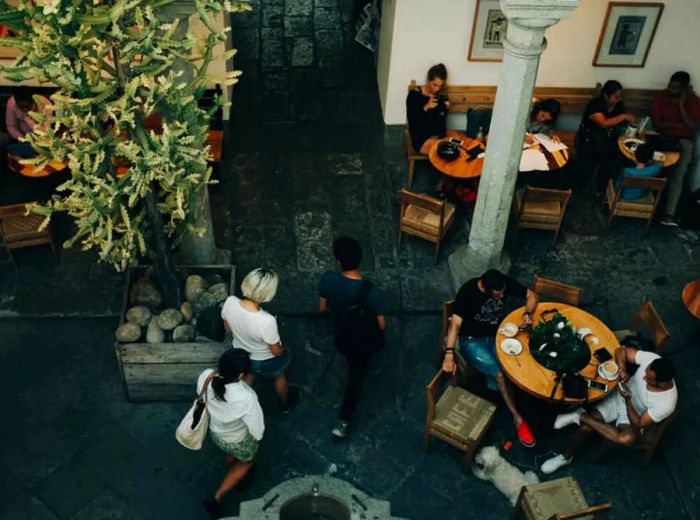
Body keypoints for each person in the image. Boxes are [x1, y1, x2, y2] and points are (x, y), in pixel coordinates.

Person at [540, 345, 677, 475]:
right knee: (585, 428)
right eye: (646, 372)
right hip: (618, 395)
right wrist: (623, 369)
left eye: (648, 379)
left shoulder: (666, 403)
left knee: (627, 439)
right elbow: (621, 350)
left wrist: (628, 400)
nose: (643, 377)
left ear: (663, 384)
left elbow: (639, 423)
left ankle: (580, 415)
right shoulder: (652, 360)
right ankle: (566, 457)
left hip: (633, 415)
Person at [442, 269, 539, 447]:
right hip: (472, 341)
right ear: (485, 289)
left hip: (497, 335)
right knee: (500, 375)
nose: (503, 295)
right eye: (498, 293)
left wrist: (528, 314)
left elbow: (531, 295)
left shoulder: (502, 282)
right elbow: (455, 324)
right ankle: (517, 418)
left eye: (503, 291)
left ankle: (499, 387)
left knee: (516, 361)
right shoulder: (468, 292)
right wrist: (449, 353)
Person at [319, 236, 388, 439]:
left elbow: (322, 308)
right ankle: (343, 421)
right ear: (360, 259)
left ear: (338, 262)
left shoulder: (328, 280)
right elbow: (382, 325)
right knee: (356, 380)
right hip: (364, 343)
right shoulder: (372, 292)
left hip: (342, 335)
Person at [221, 268, 299, 414]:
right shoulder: (266, 321)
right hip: (265, 360)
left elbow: (228, 328)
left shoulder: (230, 302)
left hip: (242, 354)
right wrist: (284, 351)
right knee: (279, 376)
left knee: (249, 375)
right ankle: (284, 405)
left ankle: (241, 406)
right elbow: (276, 351)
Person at [199, 349, 264, 518]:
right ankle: (217, 498)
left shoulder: (206, 376)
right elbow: (258, 432)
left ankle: (232, 470)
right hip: (237, 439)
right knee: (247, 460)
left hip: (216, 433)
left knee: (229, 452)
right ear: (241, 375)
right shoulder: (247, 397)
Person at [651, 71, 700, 227]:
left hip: (684, 142)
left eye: (675, 88)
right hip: (664, 138)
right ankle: (648, 206)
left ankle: (669, 213)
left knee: (678, 176)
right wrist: (679, 125)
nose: (670, 90)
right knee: (653, 167)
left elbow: (692, 126)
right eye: (670, 86)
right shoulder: (661, 97)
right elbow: (657, 123)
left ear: (684, 89)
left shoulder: (693, 101)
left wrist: (681, 106)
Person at [576, 80, 636, 190]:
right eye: (615, 97)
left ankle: (604, 185)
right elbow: (603, 123)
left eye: (619, 97)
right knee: (602, 158)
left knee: (618, 155)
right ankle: (587, 187)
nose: (618, 100)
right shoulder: (595, 104)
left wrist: (630, 123)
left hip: (607, 138)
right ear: (605, 95)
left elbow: (620, 123)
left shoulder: (619, 106)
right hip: (588, 139)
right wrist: (623, 116)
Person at [406, 63, 450, 156]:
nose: (437, 89)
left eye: (440, 86)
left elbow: (440, 120)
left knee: (453, 151)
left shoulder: (440, 96)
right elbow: (413, 121)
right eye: (435, 85)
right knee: (444, 153)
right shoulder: (414, 95)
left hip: (437, 135)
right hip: (421, 137)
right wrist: (426, 107)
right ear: (428, 80)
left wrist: (445, 108)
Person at [5, 89, 52, 157]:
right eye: (20, 107)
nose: (23, 109)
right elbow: (11, 126)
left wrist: (29, 121)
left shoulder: (45, 104)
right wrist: (21, 138)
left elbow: (46, 132)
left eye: (26, 107)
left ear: (34, 103)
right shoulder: (12, 102)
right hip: (21, 138)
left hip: (42, 139)